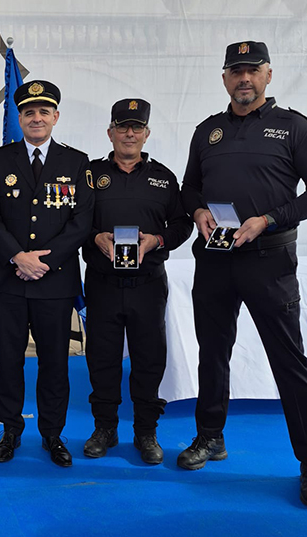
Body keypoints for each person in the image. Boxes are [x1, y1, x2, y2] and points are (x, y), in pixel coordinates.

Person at [179, 41, 307, 509]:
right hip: (215, 260)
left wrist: (270, 218)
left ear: (268, 75)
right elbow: (189, 188)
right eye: (235, 71)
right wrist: (199, 210)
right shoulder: (208, 132)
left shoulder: (295, 128)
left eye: (252, 71)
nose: (244, 79)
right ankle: (210, 437)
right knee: (213, 352)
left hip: (269, 261)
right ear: (224, 78)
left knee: (290, 363)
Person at [0, 80, 94, 466]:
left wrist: (42, 261)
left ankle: (52, 434)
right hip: (8, 281)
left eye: (44, 111)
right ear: (19, 118)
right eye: (29, 112)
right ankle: (10, 430)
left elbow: (82, 222)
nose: (36, 118)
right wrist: (17, 256)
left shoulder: (76, 162)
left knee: (54, 363)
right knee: (8, 360)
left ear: (55, 117)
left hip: (55, 281)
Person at [81, 99, 192, 464]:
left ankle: (146, 431)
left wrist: (157, 241)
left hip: (147, 284)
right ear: (110, 132)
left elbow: (182, 225)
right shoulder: (90, 174)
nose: (130, 133)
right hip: (102, 283)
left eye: (137, 128)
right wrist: (93, 237)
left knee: (148, 360)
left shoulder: (164, 178)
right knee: (102, 358)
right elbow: (73, 223)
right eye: (122, 126)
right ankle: (105, 428)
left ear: (146, 134)